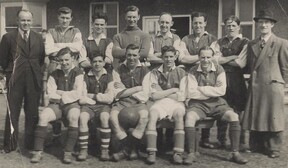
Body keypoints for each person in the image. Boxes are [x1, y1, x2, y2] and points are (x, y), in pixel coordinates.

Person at [180, 46, 248, 165]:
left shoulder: (219, 69)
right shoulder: (192, 70)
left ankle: (235, 153)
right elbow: (191, 92)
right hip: (198, 104)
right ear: (199, 58)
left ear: (212, 57)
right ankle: (191, 153)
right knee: (190, 117)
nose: (206, 60)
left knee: (233, 116)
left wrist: (201, 88)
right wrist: (211, 90)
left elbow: (221, 91)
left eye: (208, 57)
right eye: (203, 57)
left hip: (217, 103)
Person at [241, 10, 288, 158]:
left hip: (273, 86)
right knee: (256, 115)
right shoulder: (252, 43)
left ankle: (273, 148)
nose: (263, 25)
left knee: (273, 117)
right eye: (260, 22)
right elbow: (250, 65)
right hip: (256, 85)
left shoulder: (281, 43)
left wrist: (284, 86)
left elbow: (285, 67)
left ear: (272, 25)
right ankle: (256, 145)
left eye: (266, 22)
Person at [0, 9, 45, 152]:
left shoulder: (38, 37)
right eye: (23, 20)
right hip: (15, 80)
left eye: (28, 20)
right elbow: (2, 59)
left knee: (32, 112)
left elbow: (41, 59)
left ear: (32, 21)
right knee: (12, 112)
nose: (26, 23)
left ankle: (30, 144)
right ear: (17, 21)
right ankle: (10, 144)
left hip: (33, 79)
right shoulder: (8, 37)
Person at [30, 47, 84, 164]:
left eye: (66, 60)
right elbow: (51, 93)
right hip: (56, 104)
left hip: (72, 104)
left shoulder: (78, 73)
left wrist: (62, 93)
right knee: (43, 116)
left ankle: (68, 152)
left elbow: (78, 93)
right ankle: (38, 151)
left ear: (73, 59)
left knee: (74, 117)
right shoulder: (54, 73)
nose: (64, 63)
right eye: (61, 60)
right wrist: (65, 95)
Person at [45, 6, 89, 145]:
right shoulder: (52, 31)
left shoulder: (76, 31)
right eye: (62, 18)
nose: (64, 20)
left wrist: (58, 46)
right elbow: (48, 50)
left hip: (71, 66)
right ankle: (57, 134)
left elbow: (78, 47)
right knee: (54, 100)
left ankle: (73, 136)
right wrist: (68, 47)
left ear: (71, 19)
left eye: (67, 18)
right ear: (58, 18)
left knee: (73, 97)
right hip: (54, 65)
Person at [179, 11, 217, 149]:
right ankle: (188, 137)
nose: (198, 25)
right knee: (190, 103)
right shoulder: (185, 39)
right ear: (192, 23)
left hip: (206, 75)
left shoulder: (212, 39)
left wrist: (192, 57)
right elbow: (182, 58)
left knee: (206, 101)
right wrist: (202, 57)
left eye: (200, 22)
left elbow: (213, 58)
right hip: (189, 75)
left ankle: (205, 138)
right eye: (195, 23)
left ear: (205, 23)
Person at [210, 15, 249, 150]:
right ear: (225, 27)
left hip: (237, 79)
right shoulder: (218, 42)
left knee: (238, 110)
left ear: (239, 27)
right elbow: (214, 60)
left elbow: (240, 63)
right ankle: (221, 140)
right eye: (228, 25)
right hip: (221, 77)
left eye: (233, 25)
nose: (231, 28)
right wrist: (232, 57)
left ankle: (240, 142)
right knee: (222, 108)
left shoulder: (245, 42)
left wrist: (223, 58)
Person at [143, 46, 186, 164]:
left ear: (175, 57)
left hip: (176, 103)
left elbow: (182, 96)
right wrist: (173, 90)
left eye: (171, 57)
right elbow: (154, 96)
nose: (168, 59)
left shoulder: (182, 73)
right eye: (166, 57)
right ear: (162, 57)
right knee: (152, 115)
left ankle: (177, 153)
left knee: (179, 115)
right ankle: (151, 152)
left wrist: (161, 92)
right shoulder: (154, 72)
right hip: (159, 103)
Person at [147, 12, 182, 151]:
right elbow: (149, 57)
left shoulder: (176, 38)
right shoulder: (152, 37)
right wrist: (165, 57)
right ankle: (157, 140)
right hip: (156, 73)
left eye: (167, 23)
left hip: (171, 74)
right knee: (157, 104)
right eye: (162, 22)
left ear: (171, 24)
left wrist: (159, 55)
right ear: (158, 23)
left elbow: (177, 56)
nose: (164, 25)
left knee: (170, 104)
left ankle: (169, 140)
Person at [77, 52, 121, 161]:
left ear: (104, 63)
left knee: (105, 117)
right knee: (83, 117)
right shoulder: (86, 77)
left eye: (100, 61)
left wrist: (94, 96)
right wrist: (100, 96)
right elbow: (82, 97)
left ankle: (104, 150)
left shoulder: (109, 77)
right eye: (95, 61)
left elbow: (110, 98)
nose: (97, 64)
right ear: (91, 63)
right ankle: (83, 149)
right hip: (88, 105)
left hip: (104, 106)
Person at [109, 44, 149, 161]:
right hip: (122, 102)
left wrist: (125, 89)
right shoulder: (117, 70)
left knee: (144, 117)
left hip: (138, 102)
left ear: (139, 56)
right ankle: (131, 149)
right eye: (129, 55)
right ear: (125, 55)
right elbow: (117, 93)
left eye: (134, 55)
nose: (131, 58)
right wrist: (137, 88)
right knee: (112, 117)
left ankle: (126, 150)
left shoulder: (145, 70)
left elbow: (146, 93)